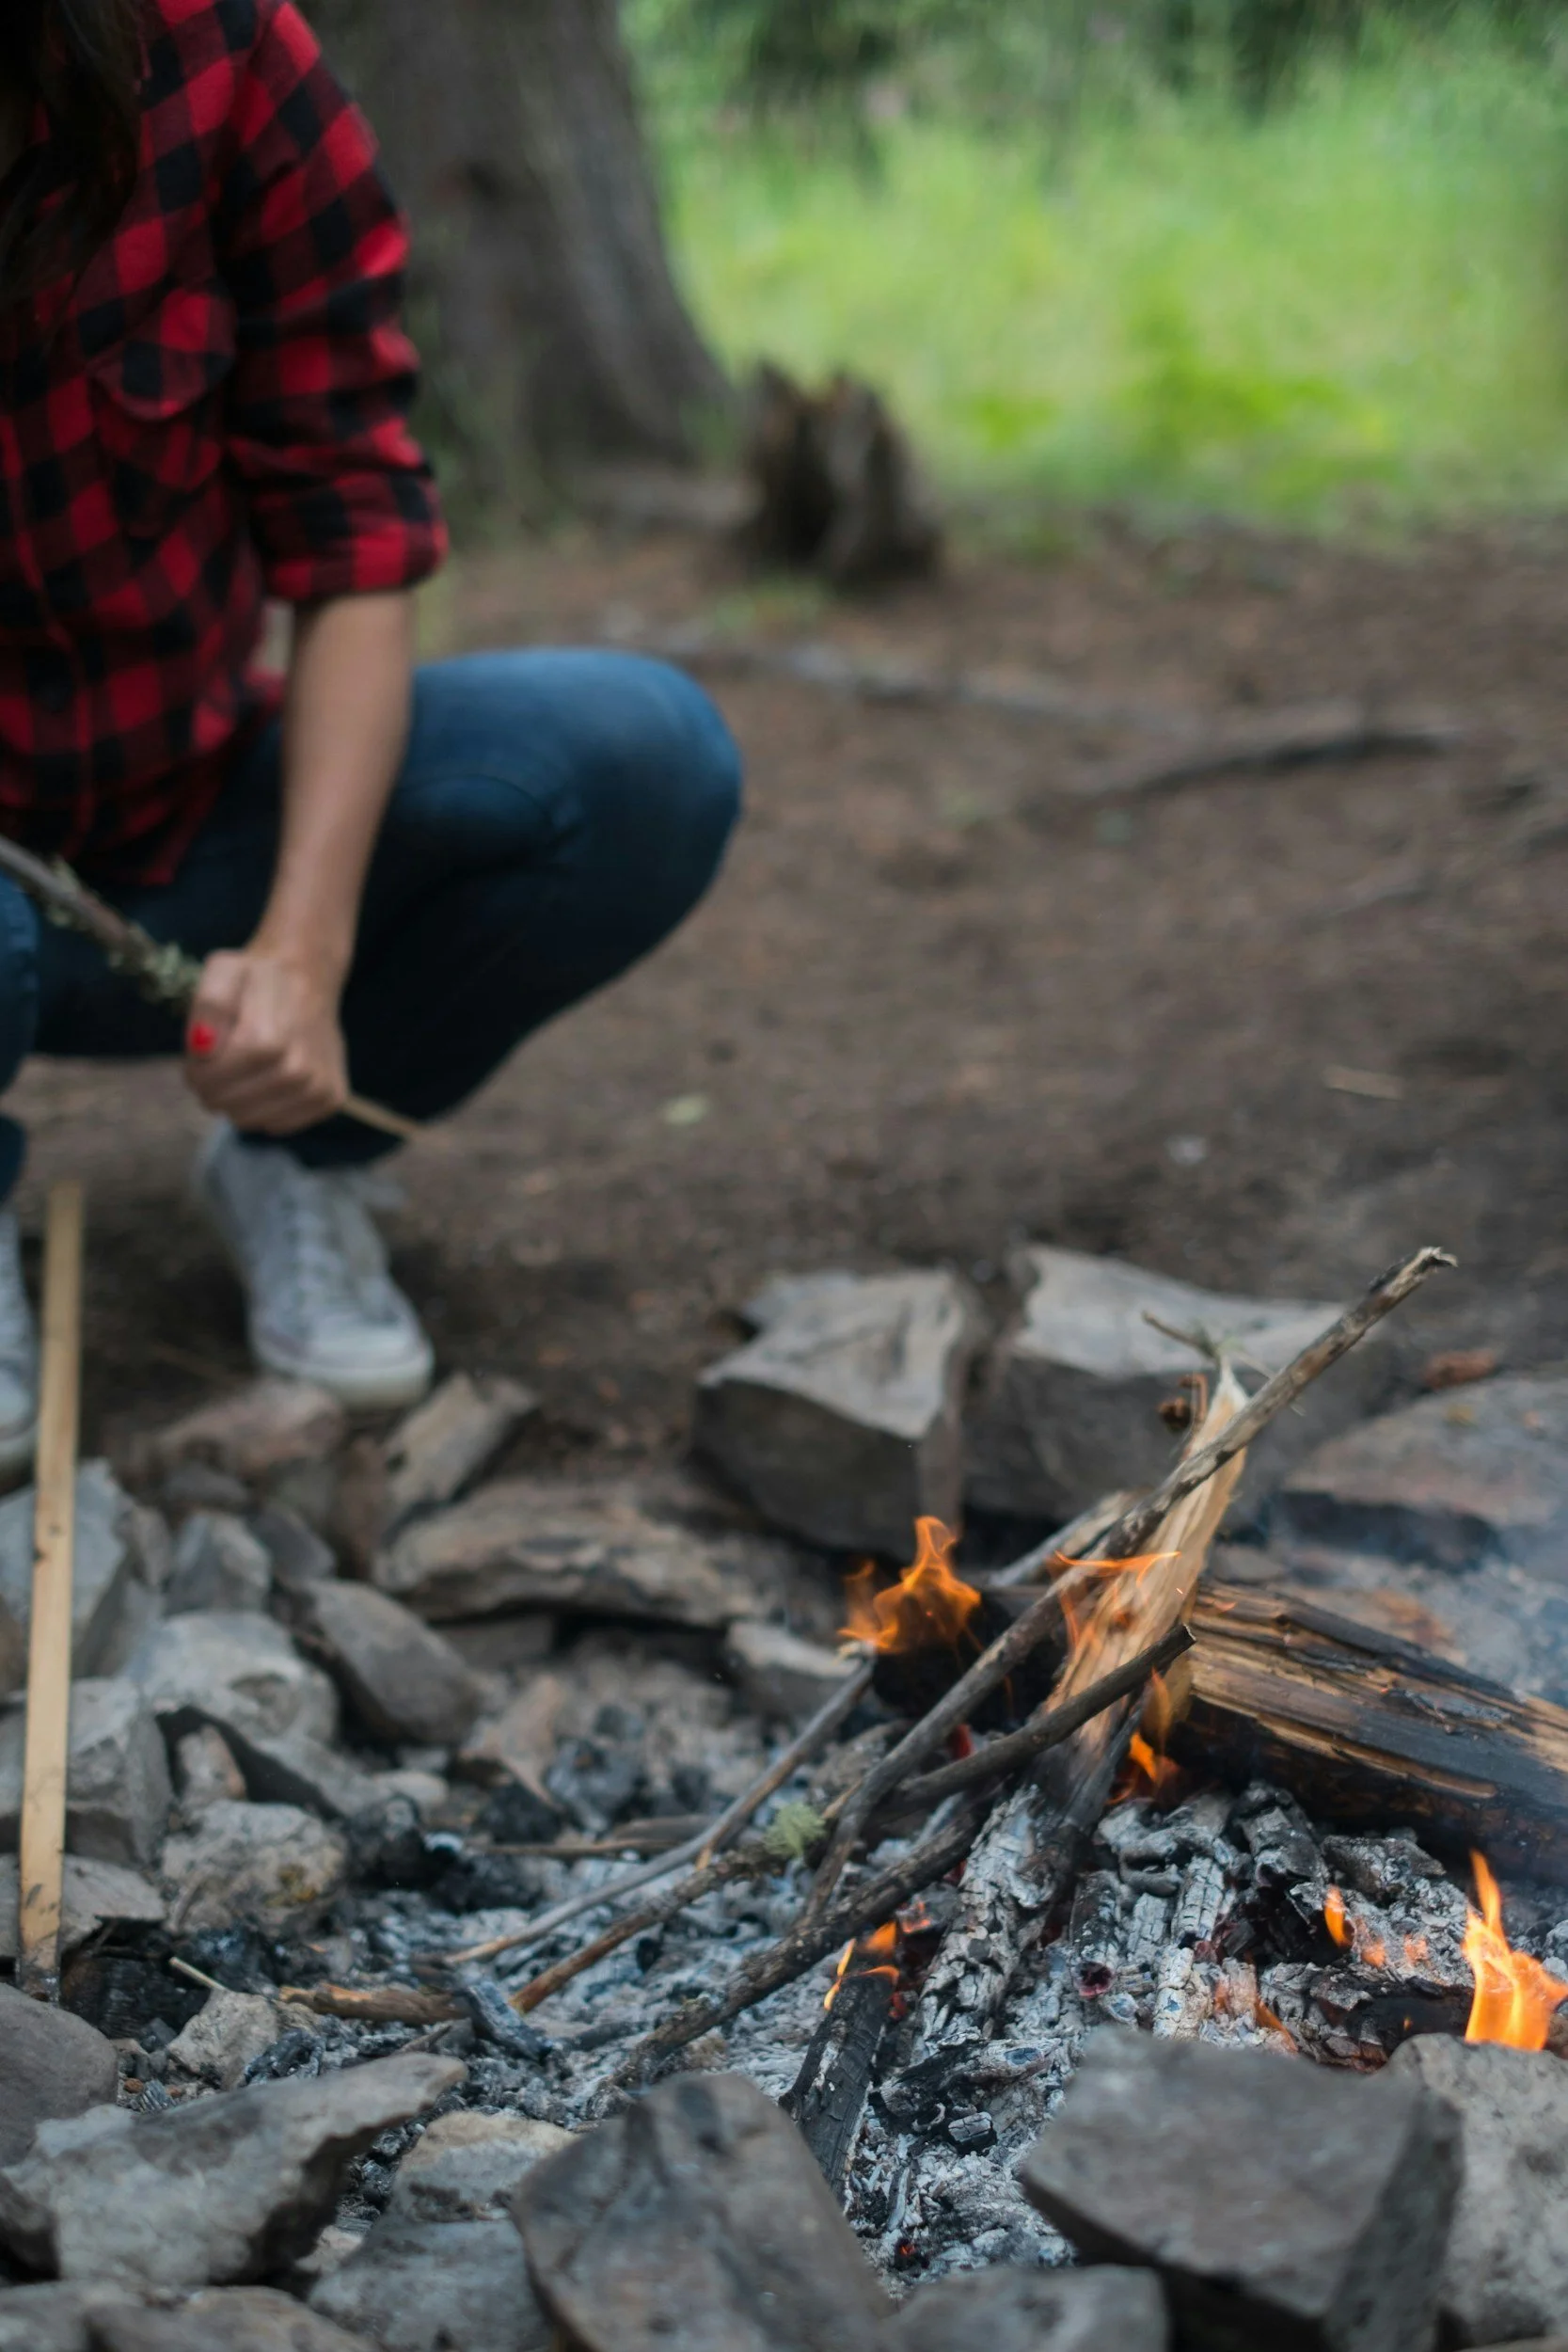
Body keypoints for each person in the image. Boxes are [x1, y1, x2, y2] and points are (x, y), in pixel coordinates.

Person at [0, 0, 742, 1464]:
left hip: (186, 811)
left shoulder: (213, 54)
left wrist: (304, 952)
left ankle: (296, 1160)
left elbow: (351, 529)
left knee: (642, 765)